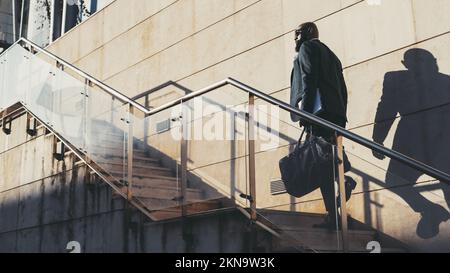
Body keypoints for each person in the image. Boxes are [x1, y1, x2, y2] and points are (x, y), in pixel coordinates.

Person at [289, 22, 356, 229]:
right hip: (334, 116)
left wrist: (305, 113)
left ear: (309, 32)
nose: (295, 39)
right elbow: (343, 90)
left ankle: (341, 186)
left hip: (318, 115)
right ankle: (333, 215)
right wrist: (341, 116)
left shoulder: (308, 48)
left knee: (320, 163)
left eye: (298, 34)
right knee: (326, 161)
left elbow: (309, 79)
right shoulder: (332, 55)